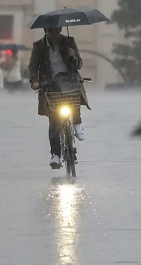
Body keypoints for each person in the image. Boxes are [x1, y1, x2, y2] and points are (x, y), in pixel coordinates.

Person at [29, 27, 90, 169]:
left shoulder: (69, 42)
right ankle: (55, 154)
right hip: (50, 84)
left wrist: (73, 57)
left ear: (61, 29)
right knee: (54, 120)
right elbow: (33, 67)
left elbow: (79, 64)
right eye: (51, 31)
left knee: (74, 100)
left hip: (69, 81)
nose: (54, 34)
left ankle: (77, 123)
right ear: (46, 31)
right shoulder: (38, 46)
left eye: (57, 30)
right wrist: (34, 81)